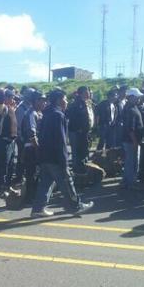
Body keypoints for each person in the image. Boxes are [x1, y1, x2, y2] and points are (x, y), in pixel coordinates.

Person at [31, 89, 93, 218]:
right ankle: (76, 206)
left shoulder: (46, 113)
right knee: (66, 181)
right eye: (65, 99)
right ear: (59, 100)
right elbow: (60, 140)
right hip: (55, 157)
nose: (67, 102)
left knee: (46, 182)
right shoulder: (58, 115)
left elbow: (40, 135)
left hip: (45, 156)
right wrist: (64, 160)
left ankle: (38, 208)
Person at [0, 89, 17, 196]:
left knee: (10, 166)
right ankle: (2, 189)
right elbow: (0, 102)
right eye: (11, 97)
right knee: (3, 167)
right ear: (5, 98)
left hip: (11, 141)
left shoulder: (9, 108)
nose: (13, 99)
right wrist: (2, 94)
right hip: (3, 142)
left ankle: (8, 186)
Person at [21, 91, 46, 201]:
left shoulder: (38, 112)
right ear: (36, 101)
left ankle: (33, 196)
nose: (44, 103)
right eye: (42, 100)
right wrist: (38, 149)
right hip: (31, 148)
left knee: (35, 174)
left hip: (33, 147)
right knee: (32, 174)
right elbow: (32, 134)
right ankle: (30, 198)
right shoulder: (31, 113)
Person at [120, 88, 144, 189]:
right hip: (131, 140)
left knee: (129, 161)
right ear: (131, 97)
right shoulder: (130, 109)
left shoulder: (131, 107)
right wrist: (135, 141)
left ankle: (127, 181)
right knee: (132, 162)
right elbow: (130, 128)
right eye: (137, 97)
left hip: (130, 140)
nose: (139, 98)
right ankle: (131, 183)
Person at [66, 86, 94, 174]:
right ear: (81, 93)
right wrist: (79, 129)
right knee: (77, 152)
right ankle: (77, 171)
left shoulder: (88, 103)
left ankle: (83, 168)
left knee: (84, 151)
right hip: (77, 132)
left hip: (85, 132)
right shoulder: (75, 104)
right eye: (86, 92)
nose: (88, 94)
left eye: (88, 92)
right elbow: (71, 118)